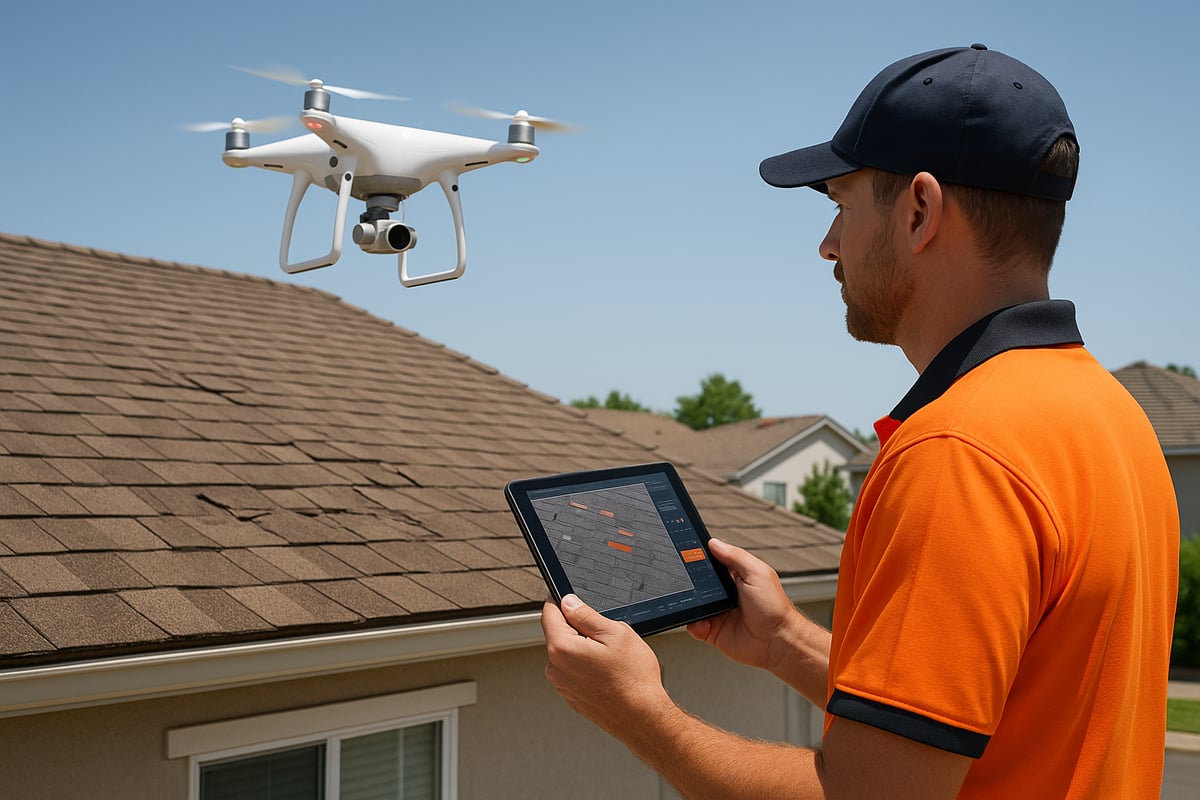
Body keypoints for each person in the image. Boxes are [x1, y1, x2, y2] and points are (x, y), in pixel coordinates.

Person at [540, 44, 1180, 798]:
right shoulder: (1110, 414)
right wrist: (785, 643)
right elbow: (991, 719)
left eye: (841, 206)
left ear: (919, 211)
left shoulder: (959, 452)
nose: (828, 245)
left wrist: (640, 715)